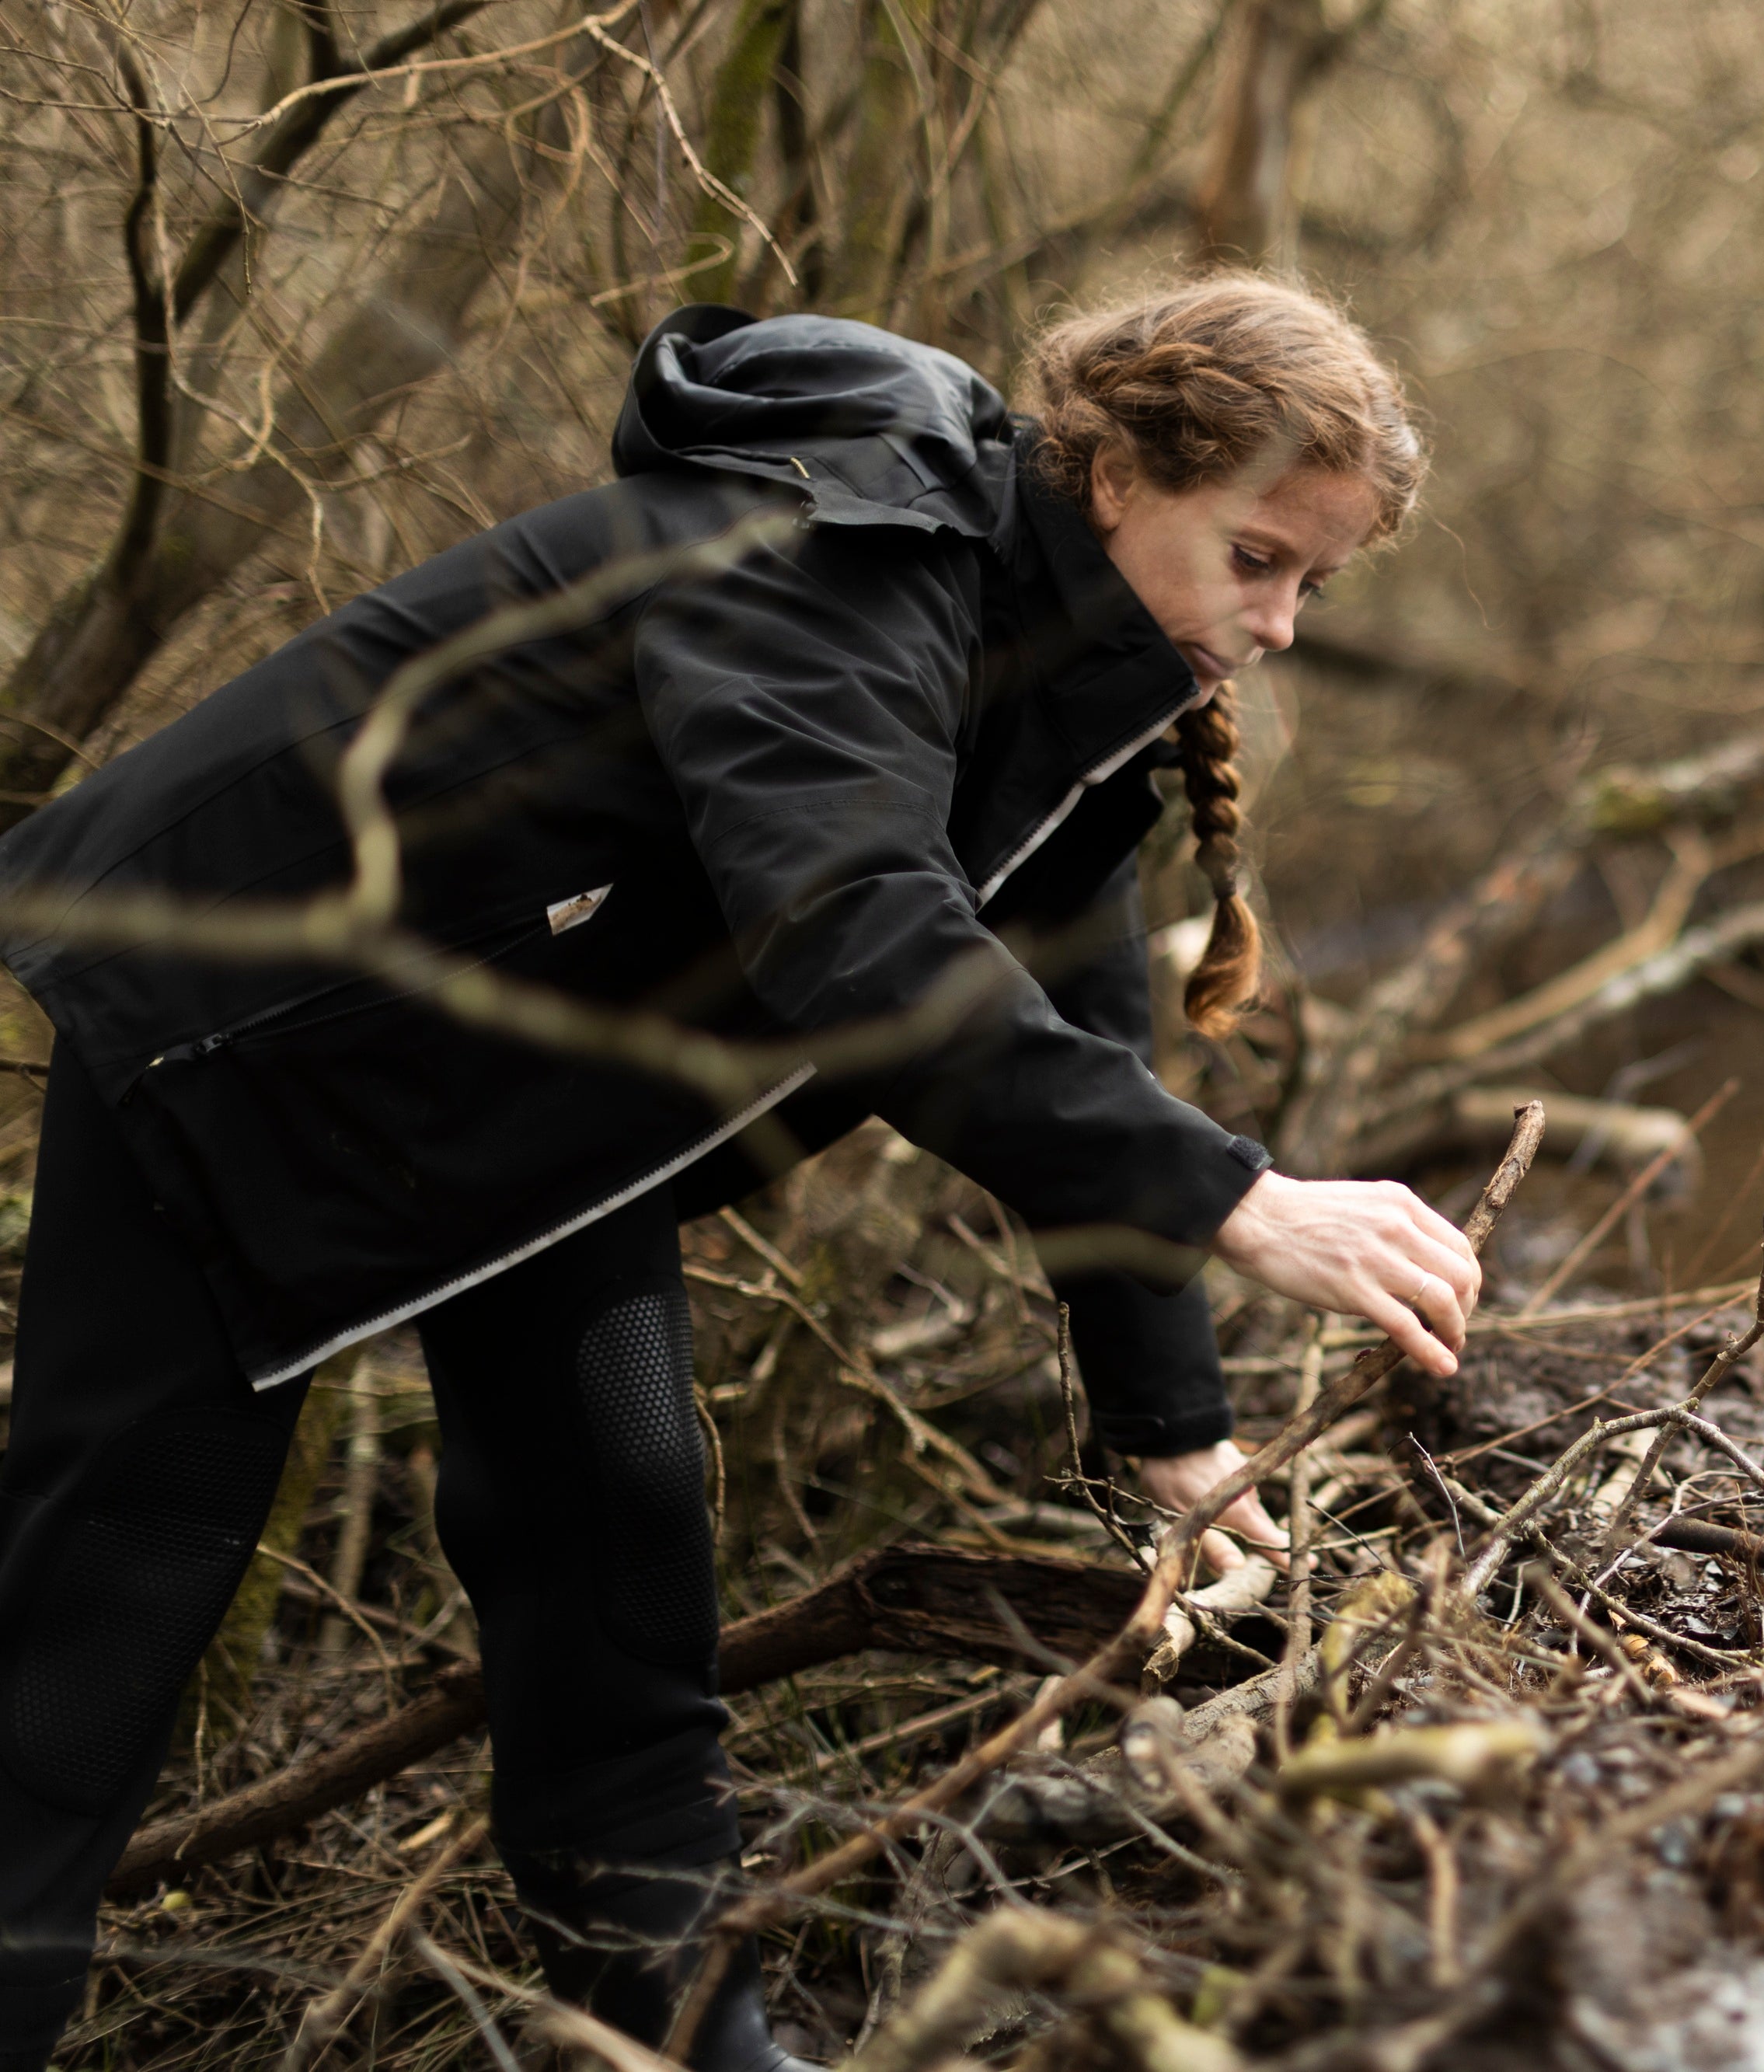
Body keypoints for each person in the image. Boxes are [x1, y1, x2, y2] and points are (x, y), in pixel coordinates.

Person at [0, 275, 1479, 2071]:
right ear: (1113, 479)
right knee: (110, 1610)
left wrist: (1164, 1419)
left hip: (541, 1109)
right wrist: (1243, 1200)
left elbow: (1072, 1025)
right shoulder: (830, 552)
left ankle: (685, 2033)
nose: (1281, 625)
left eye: (1309, 584)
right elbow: (853, 933)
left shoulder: (1087, 686)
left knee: (624, 1547)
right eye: (1258, 558)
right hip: (241, 1031)